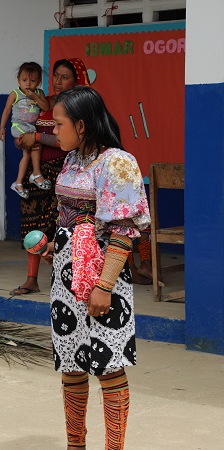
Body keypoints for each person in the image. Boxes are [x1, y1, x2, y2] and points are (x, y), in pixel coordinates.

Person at [40, 85, 149, 450]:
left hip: (104, 280)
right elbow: (67, 215)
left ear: (82, 125)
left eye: (59, 123)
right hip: (65, 282)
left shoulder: (116, 162)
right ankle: (76, 445)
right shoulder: (72, 160)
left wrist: (103, 287)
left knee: (107, 364)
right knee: (72, 365)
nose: (53, 130)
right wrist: (56, 245)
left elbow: (122, 232)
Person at [11, 58, 90, 296]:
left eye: (64, 77)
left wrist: (35, 138)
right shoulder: (43, 101)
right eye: (55, 75)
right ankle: (31, 278)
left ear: (77, 81)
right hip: (38, 172)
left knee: (60, 226)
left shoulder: (77, 109)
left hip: (62, 172)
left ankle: (68, 278)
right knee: (33, 225)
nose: (57, 81)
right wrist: (22, 139)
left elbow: (64, 142)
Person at [0, 62, 51, 199]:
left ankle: (19, 182)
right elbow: (6, 111)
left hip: (31, 127)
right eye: (24, 80)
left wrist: (35, 97)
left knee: (27, 154)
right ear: (18, 80)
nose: (28, 84)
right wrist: (1, 128)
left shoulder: (39, 93)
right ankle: (36, 173)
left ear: (39, 82)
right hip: (18, 126)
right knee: (36, 145)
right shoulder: (15, 94)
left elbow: (46, 107)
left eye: (33, 81)